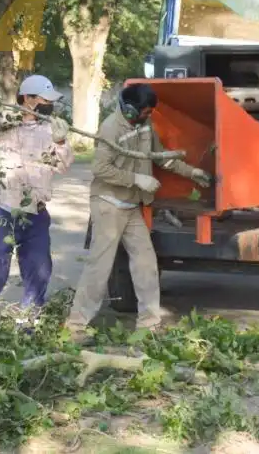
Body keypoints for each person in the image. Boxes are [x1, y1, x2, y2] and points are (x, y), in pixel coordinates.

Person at [65, 83, 211, 338]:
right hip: (108, 204)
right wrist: (137, 180)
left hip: (131, 207)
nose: (148, 116)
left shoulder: (145, 126)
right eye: (144, 112)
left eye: (150, 113)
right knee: (99, 267)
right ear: (130, 110)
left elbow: (160, 157)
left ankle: (149, 323)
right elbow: (100, 169)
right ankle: (75, 326)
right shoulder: (111, 129)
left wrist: (192, 172)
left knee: (145, 263)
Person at [0, 74, 73, 338]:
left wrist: (61, 142)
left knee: (39, 269)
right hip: (5, 210)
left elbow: (64, 165)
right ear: (29, 99)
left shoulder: (51, 130)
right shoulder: (4, 123)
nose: (50, 106)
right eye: (45, 100)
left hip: (36, 212)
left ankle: (27, 324)